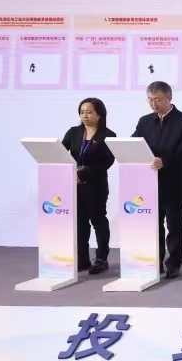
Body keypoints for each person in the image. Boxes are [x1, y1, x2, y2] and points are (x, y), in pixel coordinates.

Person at [133, 81, 182, 279]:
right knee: (153, 224)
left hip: (174, 182)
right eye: (150, 100)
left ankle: (174, 263)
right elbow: (135, 142)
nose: (154, 104)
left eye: (158, 99)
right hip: (150, 181)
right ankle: (156, 262)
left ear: (169, 98)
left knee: (175, 225)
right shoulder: (144, 121)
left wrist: (165, 161)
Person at [61, 97, 115, 275]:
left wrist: (83, 173)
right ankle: (82, 259)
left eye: (89, 112)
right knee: (80, 222)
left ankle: (101, 259)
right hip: (75, 186)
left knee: (98, 220)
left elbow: (107, 162)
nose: (85, 115)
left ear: (99, 114)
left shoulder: (108, 135)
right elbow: (61, 153)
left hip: (96, 185)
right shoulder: (73, 132)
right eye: (82, 112)